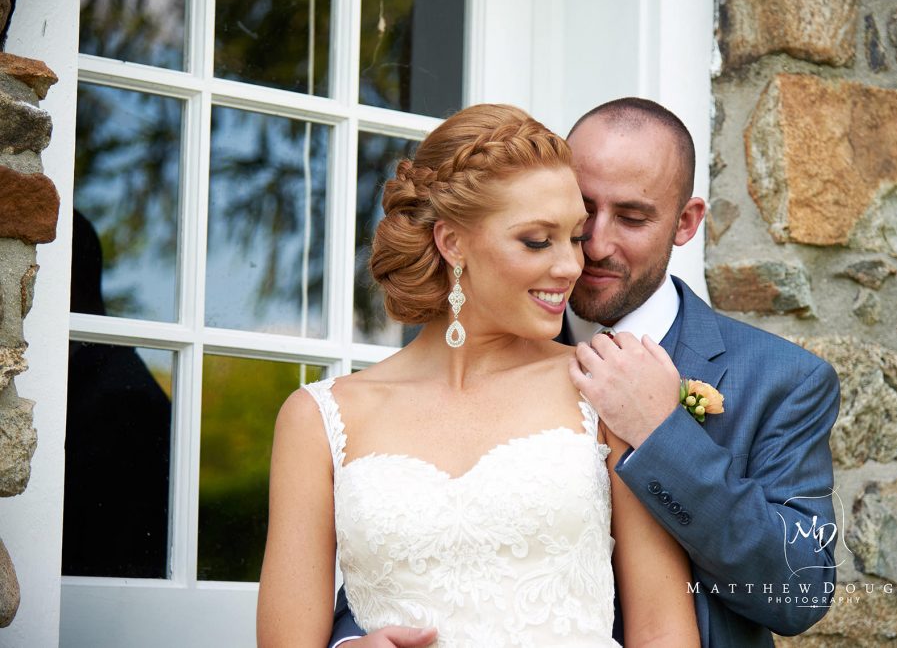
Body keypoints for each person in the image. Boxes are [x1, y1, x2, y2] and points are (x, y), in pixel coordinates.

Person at [257, 104, 700, 648]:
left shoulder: (605, 386)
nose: (570, 266)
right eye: (538, 240)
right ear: (452, 243)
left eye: (574, 237)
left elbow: (664, 632)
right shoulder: (318, 418)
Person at [565, 98, 841, 646]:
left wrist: (663, 436)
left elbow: (801, 590)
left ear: (686, 222)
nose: (596, 243)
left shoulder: (784, 380)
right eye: (582, 208)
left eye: (632, 217)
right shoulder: (497, 351)